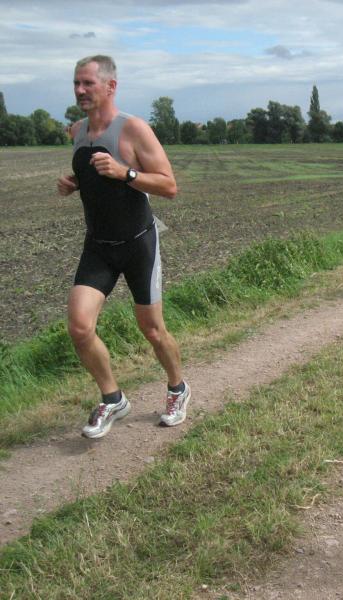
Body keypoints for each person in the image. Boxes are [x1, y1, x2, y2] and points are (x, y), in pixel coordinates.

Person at [56, 55, 191, 438]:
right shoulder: (78, 131)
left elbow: (169, 186)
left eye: (88, 83)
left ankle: (178, 388)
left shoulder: (133, 129)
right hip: (98, 245)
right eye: (76, 83)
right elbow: (94, 173)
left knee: (153, 330)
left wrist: (125, 172)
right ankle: (112, 398)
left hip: (138, 244)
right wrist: (74, 182)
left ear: (110, 86)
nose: (80, 90)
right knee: (80, 327)